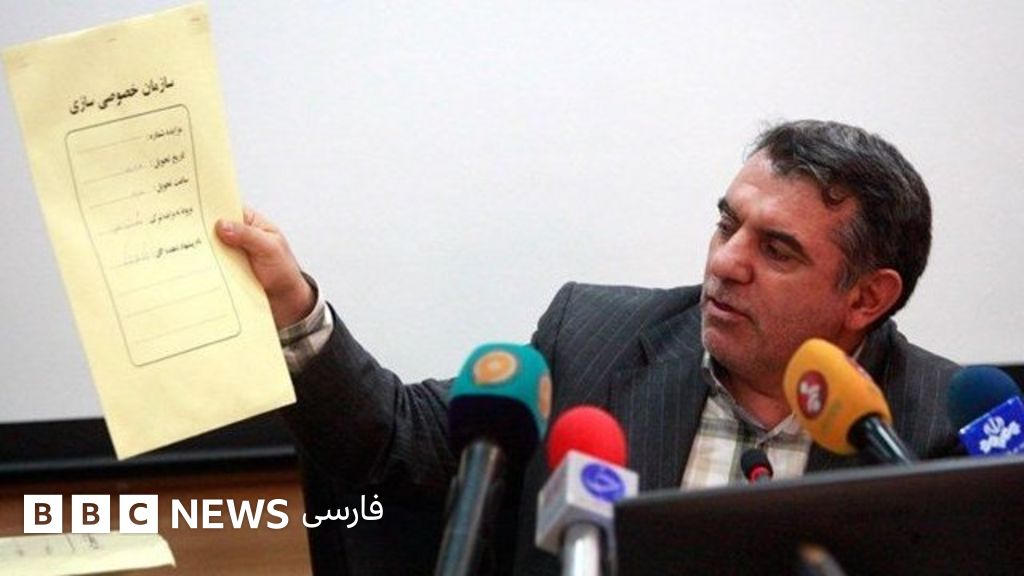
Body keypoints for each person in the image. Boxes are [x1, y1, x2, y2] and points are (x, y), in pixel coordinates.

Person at [215, 120, 960, 574]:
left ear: (867, 297)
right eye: (727, 224)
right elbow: (398, 442)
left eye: (777, 249)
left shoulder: (939, 434)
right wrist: (293, 308)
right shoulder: (594, 339)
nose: (727, 262)